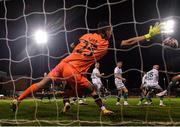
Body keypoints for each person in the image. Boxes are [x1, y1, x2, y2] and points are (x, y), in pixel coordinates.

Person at [11, 21, 161, 114]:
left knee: (43, 83)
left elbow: (73, 45)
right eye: (109, 30)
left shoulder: (86, 35)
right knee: (91, 88)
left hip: (64, 63)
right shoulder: (106, 43)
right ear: (104, 31)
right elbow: (128, 42)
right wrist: (147, 36)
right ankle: (103, 110)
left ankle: (18, 100)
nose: (111, 32)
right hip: (73, 69)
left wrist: (76, 51)